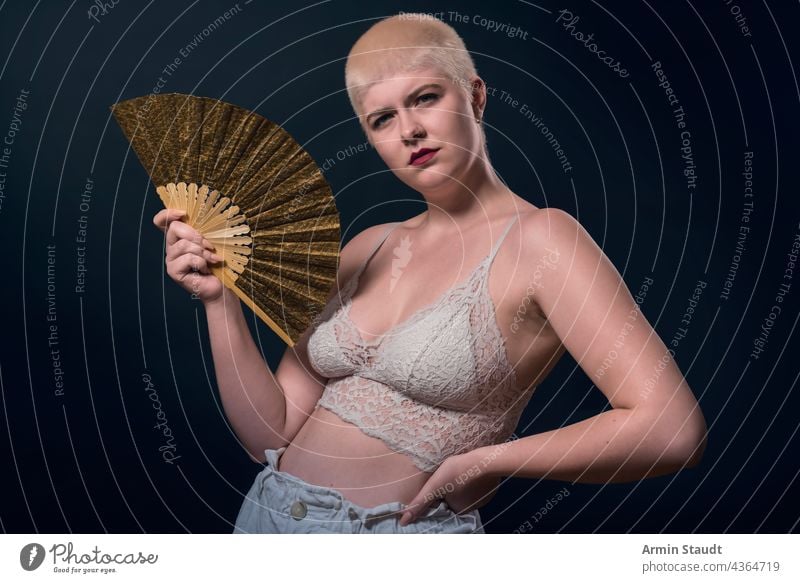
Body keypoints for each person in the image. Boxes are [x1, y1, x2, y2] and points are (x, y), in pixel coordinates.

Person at [153, 13, 707, 534]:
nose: (410, 130)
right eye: (383, 118)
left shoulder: (543, 242)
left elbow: (670, 430)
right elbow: (267, 435)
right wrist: (218, 300)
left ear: (476, 95)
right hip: (267, 518)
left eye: (425, 98)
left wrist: (486, 463)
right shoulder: (369, 248)